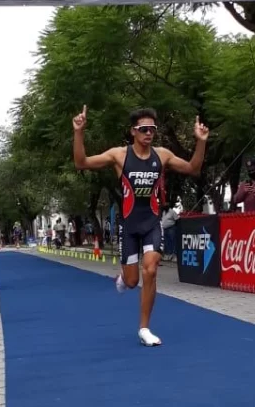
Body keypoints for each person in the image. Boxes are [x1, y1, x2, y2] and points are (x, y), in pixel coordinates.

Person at [73, 106, 208, 346]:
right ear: (133, 132)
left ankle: (144, 328)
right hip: (129, 225)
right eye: (143, 129)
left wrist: (200, 142)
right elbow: (81, 162)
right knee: (133, 281)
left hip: (152, 222)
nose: (149, 133)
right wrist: (79, 132)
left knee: (152, 269)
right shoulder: (119, 155)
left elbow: (192, 169)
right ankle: (124, 278)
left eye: (152, 129)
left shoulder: (162, 155)